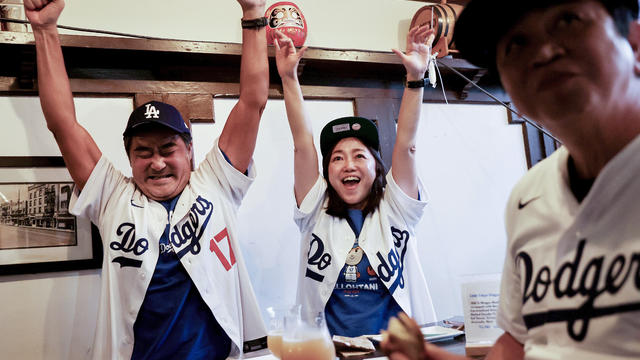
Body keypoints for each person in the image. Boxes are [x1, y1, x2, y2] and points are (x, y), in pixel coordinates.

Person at [381, 0, 640, 359]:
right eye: (517, 44)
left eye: (568, 20)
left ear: (635, 41)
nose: (543, 52)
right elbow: (519, 342)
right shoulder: (529, 196)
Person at [24, 0, 270, 358]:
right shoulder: (112, 197)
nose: (157, 163)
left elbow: (252, 102)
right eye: (143, 152)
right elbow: (62, 123)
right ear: (130, 158)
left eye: (167, 149)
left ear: (189, 150)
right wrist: (45, 30)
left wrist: (253, 13)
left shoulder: (217, 182)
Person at [273, 26, 438, 337]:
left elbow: (407, 145)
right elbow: (302, 143)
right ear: (327, 171)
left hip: (394, 351)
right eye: (337, 158)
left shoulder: (397, 208)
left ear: (376, 167)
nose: (348, 165)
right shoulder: (314, 210)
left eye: (359, 156)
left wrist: (416, 78)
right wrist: (288, 78)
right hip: (330, 352)